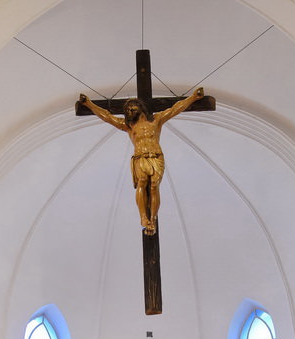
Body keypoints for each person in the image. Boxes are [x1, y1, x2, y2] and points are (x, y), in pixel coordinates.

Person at [79, 88, 204, 235]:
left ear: (140, 107)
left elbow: (175, 109)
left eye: (132, 106)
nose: (130, 109)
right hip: (140, 157)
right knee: (142, 182)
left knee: (154, 186)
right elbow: (106, 116)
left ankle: (153, 218)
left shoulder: (157, 120)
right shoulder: (128, 126)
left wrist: (194, 97)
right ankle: (144, 218)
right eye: (127, 109)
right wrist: (88, 104)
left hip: (156, 156)